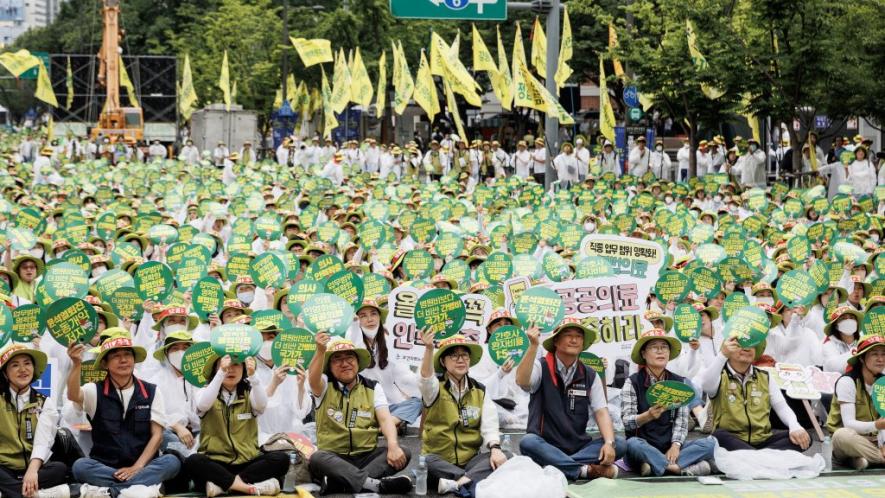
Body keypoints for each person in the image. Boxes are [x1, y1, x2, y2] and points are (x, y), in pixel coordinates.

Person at [66, 331, 180, 498]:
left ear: (134, 360)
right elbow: (73, 395)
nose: (124, 360)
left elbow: (157, 436)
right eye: (116, 356)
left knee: (172, 462)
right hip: (106, 466)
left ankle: (110, 492)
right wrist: (76, 364)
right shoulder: (94, 390)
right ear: (104, 363)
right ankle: (142, 490)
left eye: (128, 354)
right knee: (80, 466)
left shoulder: (152, 391)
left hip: (143, 466)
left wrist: (137, 468)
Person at [516, 318, 626, 480]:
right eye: (568, 335)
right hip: (545, 445)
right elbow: (522, 381)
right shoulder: (542, 366)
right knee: (528, 442)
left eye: (579, 336)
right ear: (556, 342)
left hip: (579, 446)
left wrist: (609, 443)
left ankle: (556, 466)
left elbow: (602, 412)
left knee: (620, 443)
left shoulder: (590, 374)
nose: (574, 340)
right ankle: (585, 471)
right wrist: (533, 346)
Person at [307, 336, 412, 495]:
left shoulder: (373, 387)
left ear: (357, 362)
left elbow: (385, 419)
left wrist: (393, 445)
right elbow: (313, 379)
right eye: (337, 359)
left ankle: (341, 484)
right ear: (329, 366)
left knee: (404, 452)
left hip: (366, 456)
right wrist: (320, 350)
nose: (344, 363)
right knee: (317, 458)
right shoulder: (323, 385)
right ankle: (376, 485)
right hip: (333, 457)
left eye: (349, 357)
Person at [183, 354, 287, 497]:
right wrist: (220, 374)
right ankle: (247, 488)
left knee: (281, 459)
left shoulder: (250, 391)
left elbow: (262, 405)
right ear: (216, 369)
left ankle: (226, 487)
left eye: (236, 365)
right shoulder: (204, 391)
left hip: (246, 464)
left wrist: (254, 377)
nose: (230, 369)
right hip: (216, 463)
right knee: (193, 461)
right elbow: (203, 404)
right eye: (225, 365)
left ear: (244, 369)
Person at [419, 332, 507, 496]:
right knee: (427, 461)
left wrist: (495, 448)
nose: (460, 360)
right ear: (442, 362)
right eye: (454, 356)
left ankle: (458, 483)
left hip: (471, 462)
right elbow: (425, 378)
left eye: (464, 355)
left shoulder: (480, 390)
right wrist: (429, 348)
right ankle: (472, 481)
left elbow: (490, 425)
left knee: (505, 455)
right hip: (440, 463)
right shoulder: (434, 388)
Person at [622, 330, 715, 477]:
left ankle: (656, 466)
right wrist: (647, 416)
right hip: (643, 445)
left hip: (671, 447)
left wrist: (676, 445)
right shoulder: (632, 382)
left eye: (664, 347)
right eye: (654, 347)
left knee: (712, 443)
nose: (660, 351)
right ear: (644, 354)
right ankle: (679, 468)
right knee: (632, 444)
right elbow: (627, 422)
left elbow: (682, 420)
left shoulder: (679, 382)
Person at [700, 337, 811, 452]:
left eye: (752, 344)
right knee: (719, 436)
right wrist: (722, 355)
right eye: (740, 344)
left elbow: (782, 407)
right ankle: (765, 458)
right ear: (729, 349)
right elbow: (706, 383)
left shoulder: (765, 375)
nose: (747, 347)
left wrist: (795, 426)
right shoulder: (719, 375)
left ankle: (754, 458)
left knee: (804, 437)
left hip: (763, 440)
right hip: (732, 441)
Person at [0, 344, 69, 498]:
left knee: (60, 468)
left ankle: (14, 492)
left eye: (27, 363)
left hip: (34, 468)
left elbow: (43, 442)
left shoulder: (45, 402)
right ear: (5, 373)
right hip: (3, 468)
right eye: (15, 365)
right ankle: (33, 494)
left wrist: (32, 471)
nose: (23, 369)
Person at [349, 300, 421, 431]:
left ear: (380, 317)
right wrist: (353, 324)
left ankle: (385, 426)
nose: (369, 319)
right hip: (366, 406)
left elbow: (404, 375)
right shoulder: (354, 343)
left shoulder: (391, 343)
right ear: (357, 320)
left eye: (373, 314)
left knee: (417, 402)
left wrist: (422, 385)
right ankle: (392, 424)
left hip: (392, 405)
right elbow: (352, 341)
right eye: (363, 316)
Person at [827, 334, 885, 470]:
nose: (880, 359)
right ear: (861, 358)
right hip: (852, 440)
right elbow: (849, 424)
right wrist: (877, 425)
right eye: (874, 354)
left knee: (862, 460)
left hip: (877, 442)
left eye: (883, 354)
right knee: (841, 435)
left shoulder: (883, 382)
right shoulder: (847, 382)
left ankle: (864, 461)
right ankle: (878, 459)